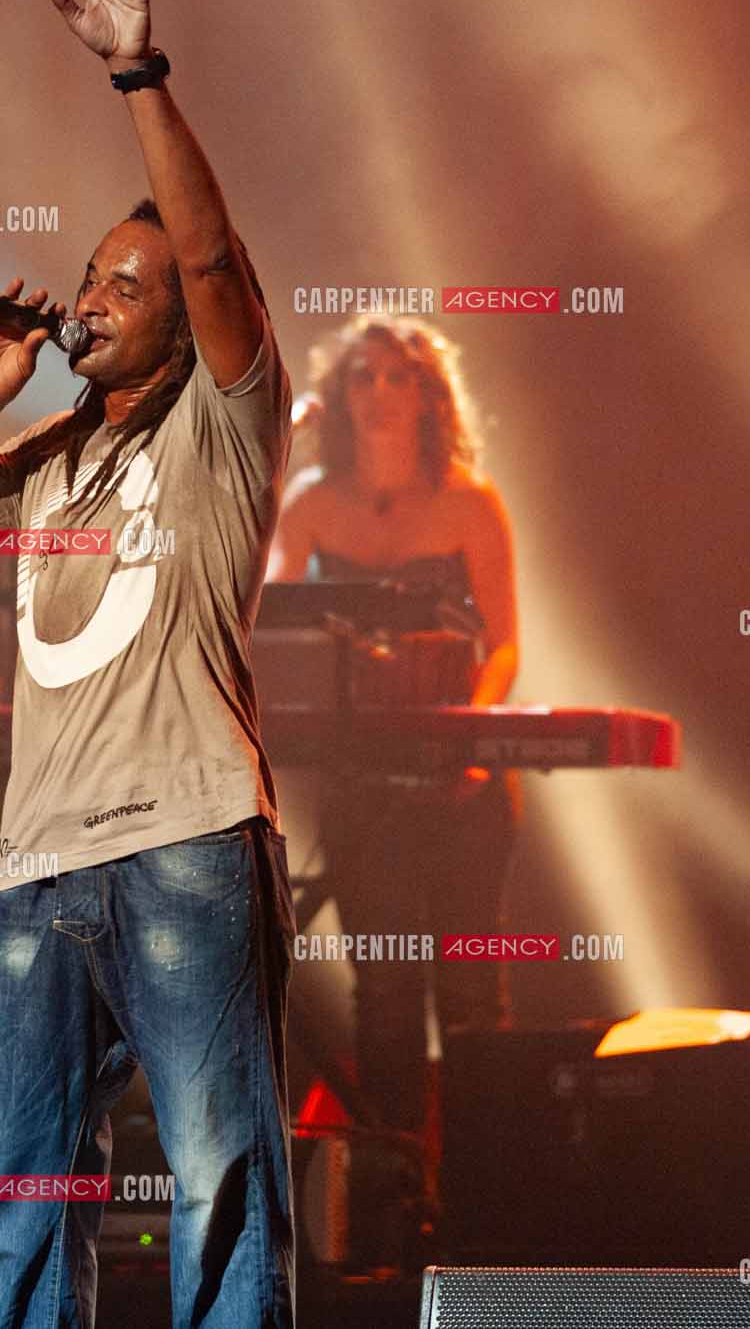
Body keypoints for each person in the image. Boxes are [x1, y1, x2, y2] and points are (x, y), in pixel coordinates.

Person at [0, 0, 295, 1328]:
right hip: (38, 865)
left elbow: (216, 264)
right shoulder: (44, 456)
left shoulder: (224, 423)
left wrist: (137, 74)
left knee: (218, 1173)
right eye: (90, 277)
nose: (90, 298)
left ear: (179, 325)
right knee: (27, 1181)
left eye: (124, 284)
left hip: (182, 843)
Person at [266, 316, 520, 1244]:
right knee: (384, 991)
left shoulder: (469, 503)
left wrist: (478, 736)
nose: (377, 391)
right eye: (362, 376)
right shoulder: (311, 500)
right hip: (360, 778)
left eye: (396, 375)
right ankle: (392, 1206)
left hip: (461, 777)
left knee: (469, 992)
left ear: (426, 394)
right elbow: (271, 622)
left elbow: (507, 642)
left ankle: (493, 1200)